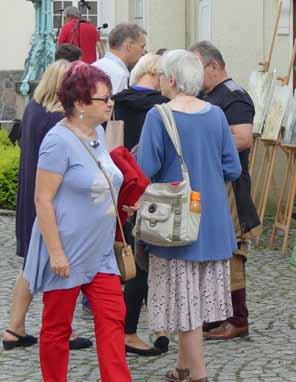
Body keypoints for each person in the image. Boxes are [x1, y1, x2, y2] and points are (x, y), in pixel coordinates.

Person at [22, 62, 132, 382]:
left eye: (110, 97)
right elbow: (42, 198)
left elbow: (102, 179)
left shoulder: (97, 133)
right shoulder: (58, 141)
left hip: (99, 252)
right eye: (104, 98)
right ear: (81, 103)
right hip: (66, 250)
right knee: (57, 328)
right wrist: (55, 252)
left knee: (113, 318)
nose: (110, 103)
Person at [137, 49, 241, 382]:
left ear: (171, 79)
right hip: (212, 220)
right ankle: (183, 368)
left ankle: (198, 374)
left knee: (185, 307)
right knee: (193, 301)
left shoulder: (159, 116)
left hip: (176, 224)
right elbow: (233, 167)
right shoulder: (215, 115)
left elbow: (146, 168)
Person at [2, 60, 92, 352]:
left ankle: (15, 328)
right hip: (51, 202)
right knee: (56, 265)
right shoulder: (58, 121)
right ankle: (58, 331)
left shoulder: (32, 110)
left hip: (31, 195)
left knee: (31, 264)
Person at [190, 40, 260, 340]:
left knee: (231, 249)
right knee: (212, 250)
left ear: (214, 66)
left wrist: (203, 143)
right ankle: (215, 315)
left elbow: (243, 138)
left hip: (231, 185)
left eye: (197, 69)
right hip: (211, 184)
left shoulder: (235, 97)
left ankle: (237, 317)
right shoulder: (206, 95)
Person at [113, 53, 169, 356]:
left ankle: (143, 327)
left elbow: (112, 144)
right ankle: (140, 329)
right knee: (151, 263)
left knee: (135, 261)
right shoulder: (163, 107)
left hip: (125, 185)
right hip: (156, 189)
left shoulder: (118, 101)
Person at [93, 23, 146, 95]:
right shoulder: (120, 75)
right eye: (142, 47)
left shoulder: (93, 67)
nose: (143, 52)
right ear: (129, 46)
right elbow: (113, 105)